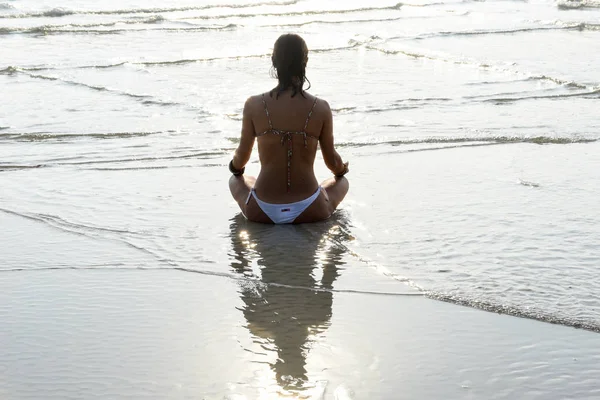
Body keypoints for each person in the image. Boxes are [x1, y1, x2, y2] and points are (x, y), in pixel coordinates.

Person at [228, 33, 349, 224]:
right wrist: (342, 170)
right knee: (342, 182)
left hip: (261, 209)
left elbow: (241, 158)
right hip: (310, 208)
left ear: (274, 61)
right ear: (305, 61)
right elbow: (332, 161)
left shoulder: (253, 104)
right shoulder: (321, 107)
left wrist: (234, 167)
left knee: (237, 180)